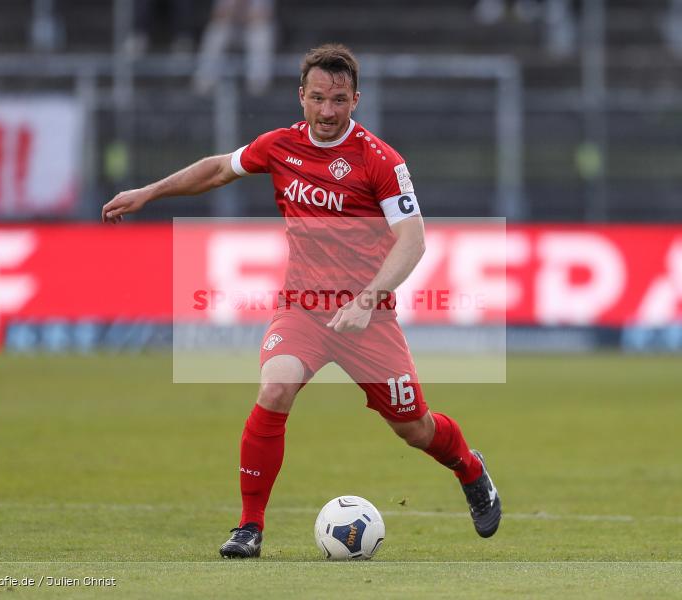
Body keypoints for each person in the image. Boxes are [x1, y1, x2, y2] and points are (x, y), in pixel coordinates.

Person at [102, 43, 502, 558]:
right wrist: (149, 193)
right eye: (318, 99)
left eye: (339, 100)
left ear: (355, 99)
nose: (328, 111)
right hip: (304, 308)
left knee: (414, 427)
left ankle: (470, 468)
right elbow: (218, 169)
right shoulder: (280, 146)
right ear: (302, 97)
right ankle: (249, 527)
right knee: (275, 389)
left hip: (368, 318)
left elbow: (413, 239)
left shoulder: (380, 160)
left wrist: (367, 298)